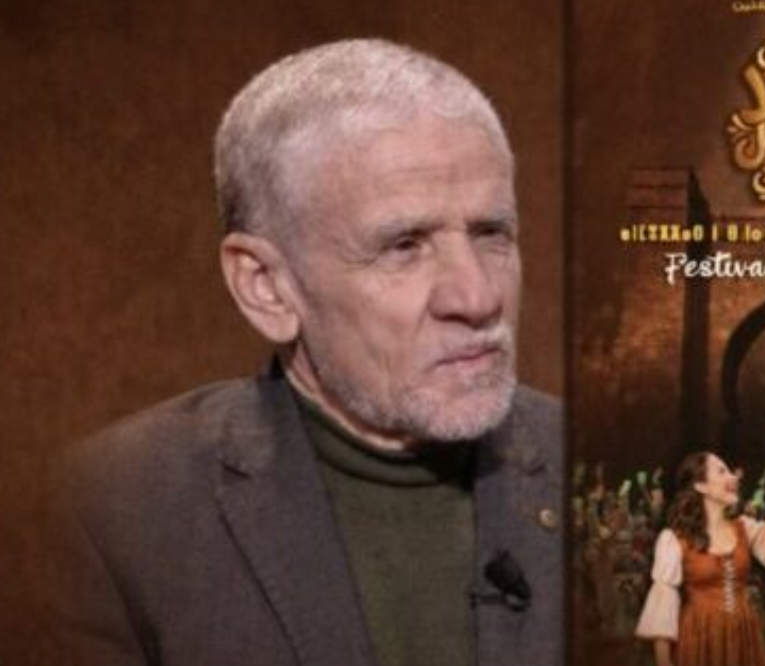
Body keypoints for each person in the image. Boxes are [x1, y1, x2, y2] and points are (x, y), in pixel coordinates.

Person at [48, 39, 562, 666]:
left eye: (491, 234)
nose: (478, 297)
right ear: (266, 287)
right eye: (404, 245)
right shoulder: (111, 511)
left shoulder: (604, 468)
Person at [635, 450, 765, 666]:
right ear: (701, 486)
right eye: (722, 471)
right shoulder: (674, 540)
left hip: (744, 638)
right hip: (700, 639)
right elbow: (663, 607)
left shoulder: (744, 528)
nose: (733, 477)